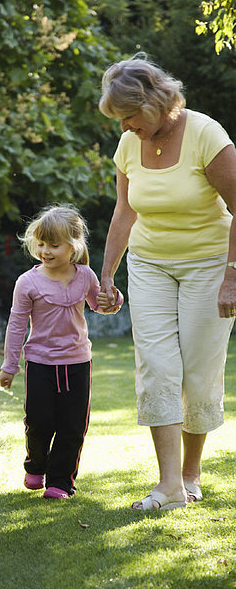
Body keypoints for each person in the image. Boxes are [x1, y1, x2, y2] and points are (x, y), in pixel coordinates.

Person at [97, 53, 236, 511]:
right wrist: (107, 274)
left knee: (197, 373)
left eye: (130, 117)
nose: (125, 128)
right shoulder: (129, 145)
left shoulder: (206, 135)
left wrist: (232, 276)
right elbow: (125, 210)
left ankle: (191, 474)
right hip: (150, 262)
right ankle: (170, 486)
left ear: (155, 103)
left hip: (210, 263)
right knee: (157, 368)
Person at [0, 205, 122, 499]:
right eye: (41, 244)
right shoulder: (27, 282)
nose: (46, 250)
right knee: (39, 421)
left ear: (74, 246)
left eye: (54, 245)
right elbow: (16, 325)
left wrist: (113, 298)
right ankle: (36, 464)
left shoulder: (86, 276)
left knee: (73, 426)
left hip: (77, 363)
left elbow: (100, 306)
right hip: (40, 363)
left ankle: (60, 482)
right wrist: (9, 364)